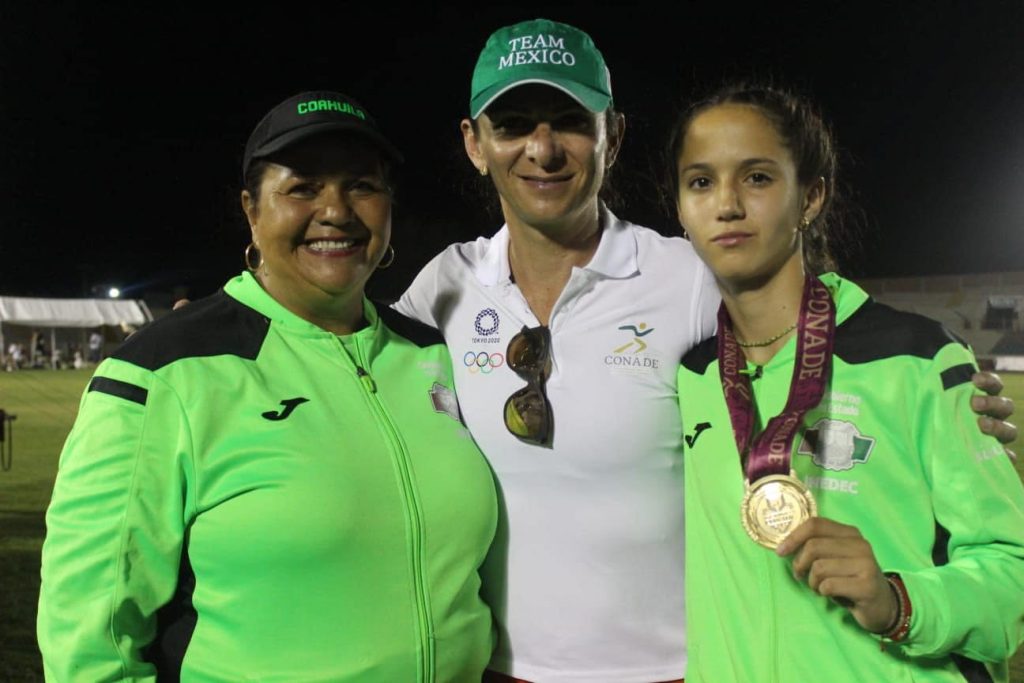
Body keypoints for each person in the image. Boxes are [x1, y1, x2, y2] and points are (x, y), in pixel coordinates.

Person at [395, 18, 1019, 683]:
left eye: (570, 122)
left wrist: (947, 397)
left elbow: (808, 327)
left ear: (613, 136)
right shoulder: (444, 286)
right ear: (475, 143)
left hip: (674, 667)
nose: (542, 149)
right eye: (514, 125)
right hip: (500, 667)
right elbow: (356, 372)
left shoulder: (689, 278)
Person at [37, 91, 498, 682]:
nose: (336, 211)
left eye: (362, 185)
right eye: (302, 187)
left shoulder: (431, 353)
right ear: (251, 210)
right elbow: (89, 636)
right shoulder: (164, 370)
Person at [673, 83, 1024, 682]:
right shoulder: (691, 376)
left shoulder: (915, 358)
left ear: (810, 197)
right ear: (681, 208)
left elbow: (1011, 571)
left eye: (757, 178)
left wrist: (898, 602)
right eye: (701, 181)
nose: (726, 204)